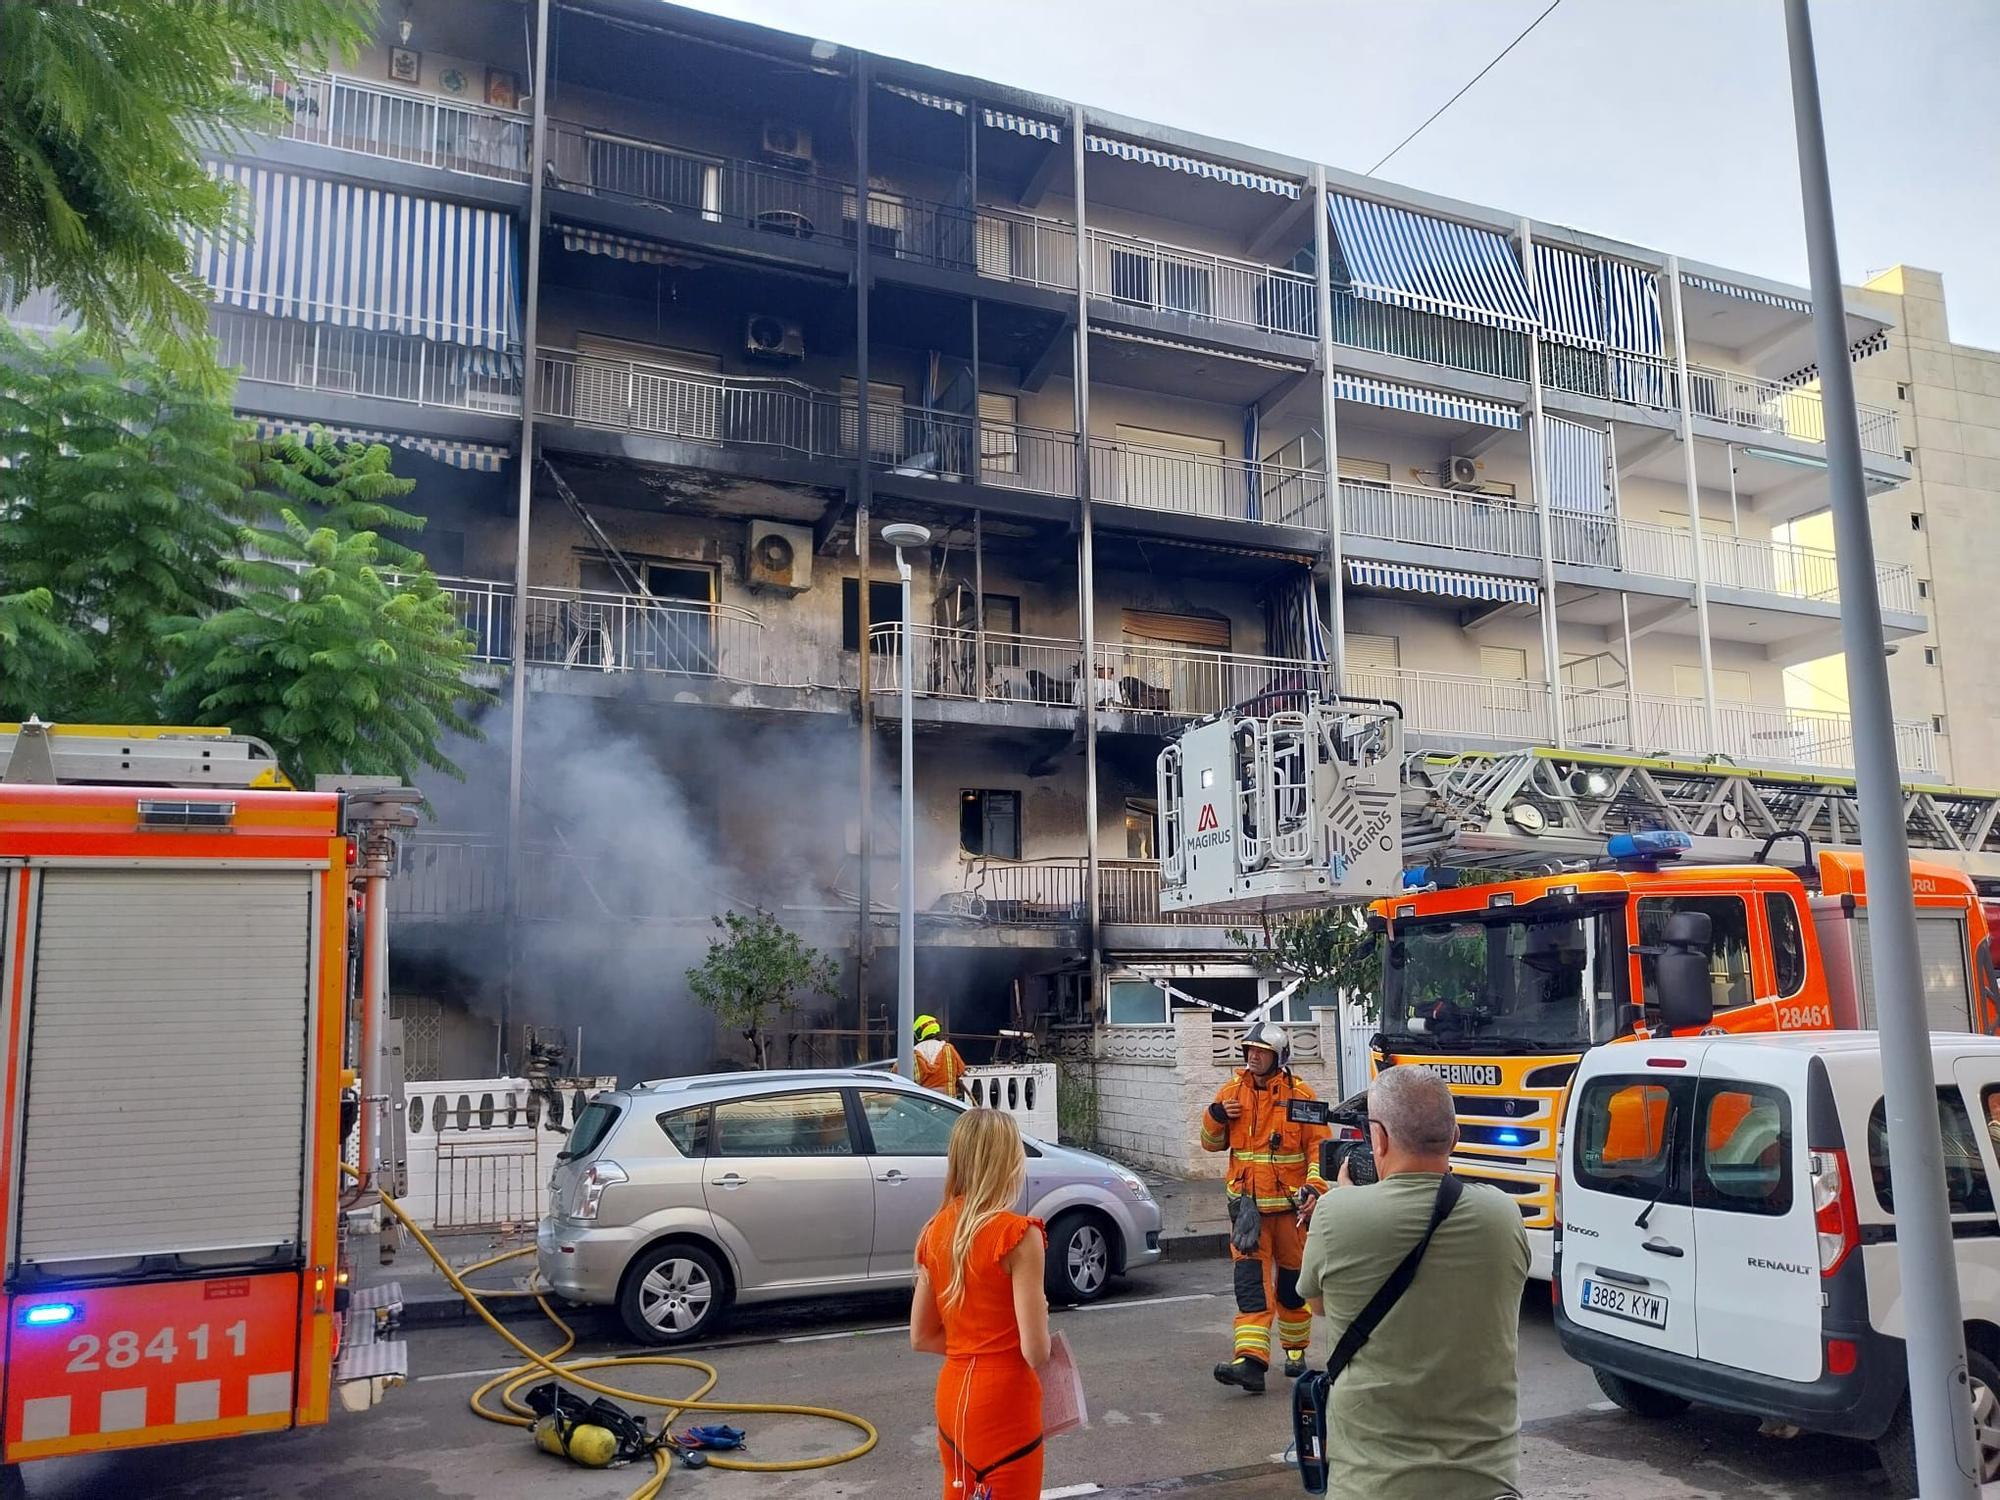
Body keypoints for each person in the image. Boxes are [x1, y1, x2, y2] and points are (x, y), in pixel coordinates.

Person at [1297, 1065, 1531, 1500]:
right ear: (1455, 1137)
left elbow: (1319, 1306)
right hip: (1487, 1485)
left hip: (1376, 1485)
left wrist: (1346, 1195)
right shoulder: (1502, 1214)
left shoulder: (1336, 1214)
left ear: (1379, 1138)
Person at [910, 1109, 1051, 1500]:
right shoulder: (1018, 1235)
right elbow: (1036, 1352)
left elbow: (921, 1336)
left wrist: (968, 1346)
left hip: (954, 1399)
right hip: (1006, 1401)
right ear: (1008, 1161)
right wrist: (1039, 1308)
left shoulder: (934, 1230)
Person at [1201, 1020, 1328, 1392]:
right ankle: (1251, 1363)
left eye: (1262, 1052)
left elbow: (1317, 1146)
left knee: (1292, 1284)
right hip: (1248, 1211)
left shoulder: (1301, 1094)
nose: (1253, 1057)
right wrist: (1216, 1115)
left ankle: (1294, 1352)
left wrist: (1315, 1186)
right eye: (1249, 1051)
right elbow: (1210, 1142)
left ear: (1279, 1058)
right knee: (1251, 1286)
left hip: (1291, 1210)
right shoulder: (1230, 1092)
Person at [913, 1014, 968, 1097]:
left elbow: (896, 1075)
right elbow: (961, 1070)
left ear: (918, 1033)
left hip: (922, 1104)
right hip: (948, 1103)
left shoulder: (912, 1054)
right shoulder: (948, 1049)